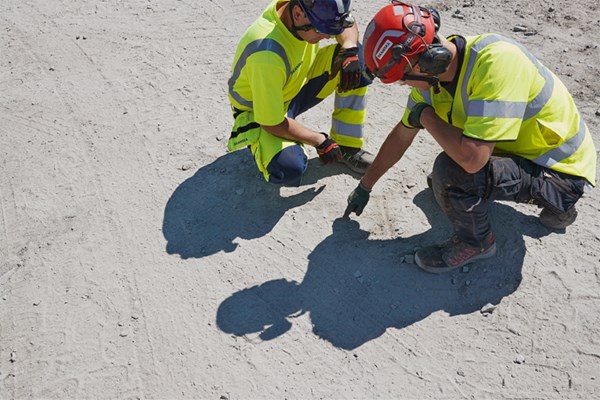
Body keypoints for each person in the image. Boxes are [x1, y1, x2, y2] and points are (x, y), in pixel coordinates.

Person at [344, 1, 597, 273]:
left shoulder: (497, 62)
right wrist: (365, 185)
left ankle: (479, 243)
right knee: (445, 182)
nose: (404, 85)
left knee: (452, 173)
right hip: (519, 150)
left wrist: (427, 117)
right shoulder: (431, 83)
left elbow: (473, 160)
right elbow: (402, 135)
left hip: (559, 168)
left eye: (403, 79)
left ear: (429, 60)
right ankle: (537, 201)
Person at [227, 0, 375, 187]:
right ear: (298, 14)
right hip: (258, 112)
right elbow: (270, 122)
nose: (329, 37)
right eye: (322, 30)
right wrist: (319, 140)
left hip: (294, 83)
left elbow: (347, 23)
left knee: (357, 63)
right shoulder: (266, 55)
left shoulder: (303, 10)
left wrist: (349, 48)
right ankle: (259, 145)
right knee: (289, 167)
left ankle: (346, 145)